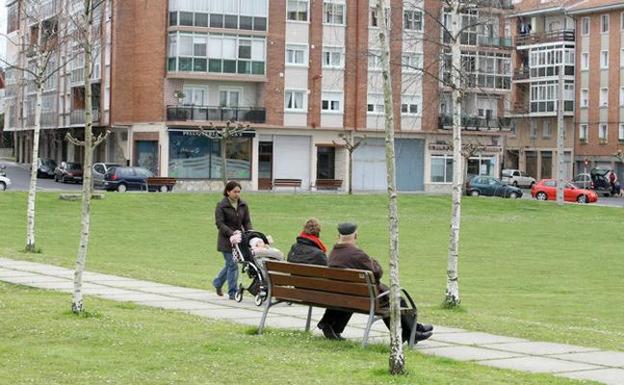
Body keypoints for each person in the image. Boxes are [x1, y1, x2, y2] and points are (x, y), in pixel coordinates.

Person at [316, 222, 433, 343]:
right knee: (396, 300)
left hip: (346, 295)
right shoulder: (356, 254)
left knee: (391, 297)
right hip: (365, 298)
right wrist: (374, 261)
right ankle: (412, 333)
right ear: (356, 236)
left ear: (338, 236)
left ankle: (414, 330)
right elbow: (377, 272)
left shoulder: (333, 254)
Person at [213, 180, 252, 300]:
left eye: (239, 192)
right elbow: (219, 223)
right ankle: (233, 292)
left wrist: (250, 234)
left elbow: (247, 222)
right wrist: (231, 233)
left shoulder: (243, 205)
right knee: (233, 265)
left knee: (230, 265)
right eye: (235, 191)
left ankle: (218, 283)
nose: (237, 194)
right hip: (226, 241)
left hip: (240, 240)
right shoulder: (221, 205)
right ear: (228, 191)